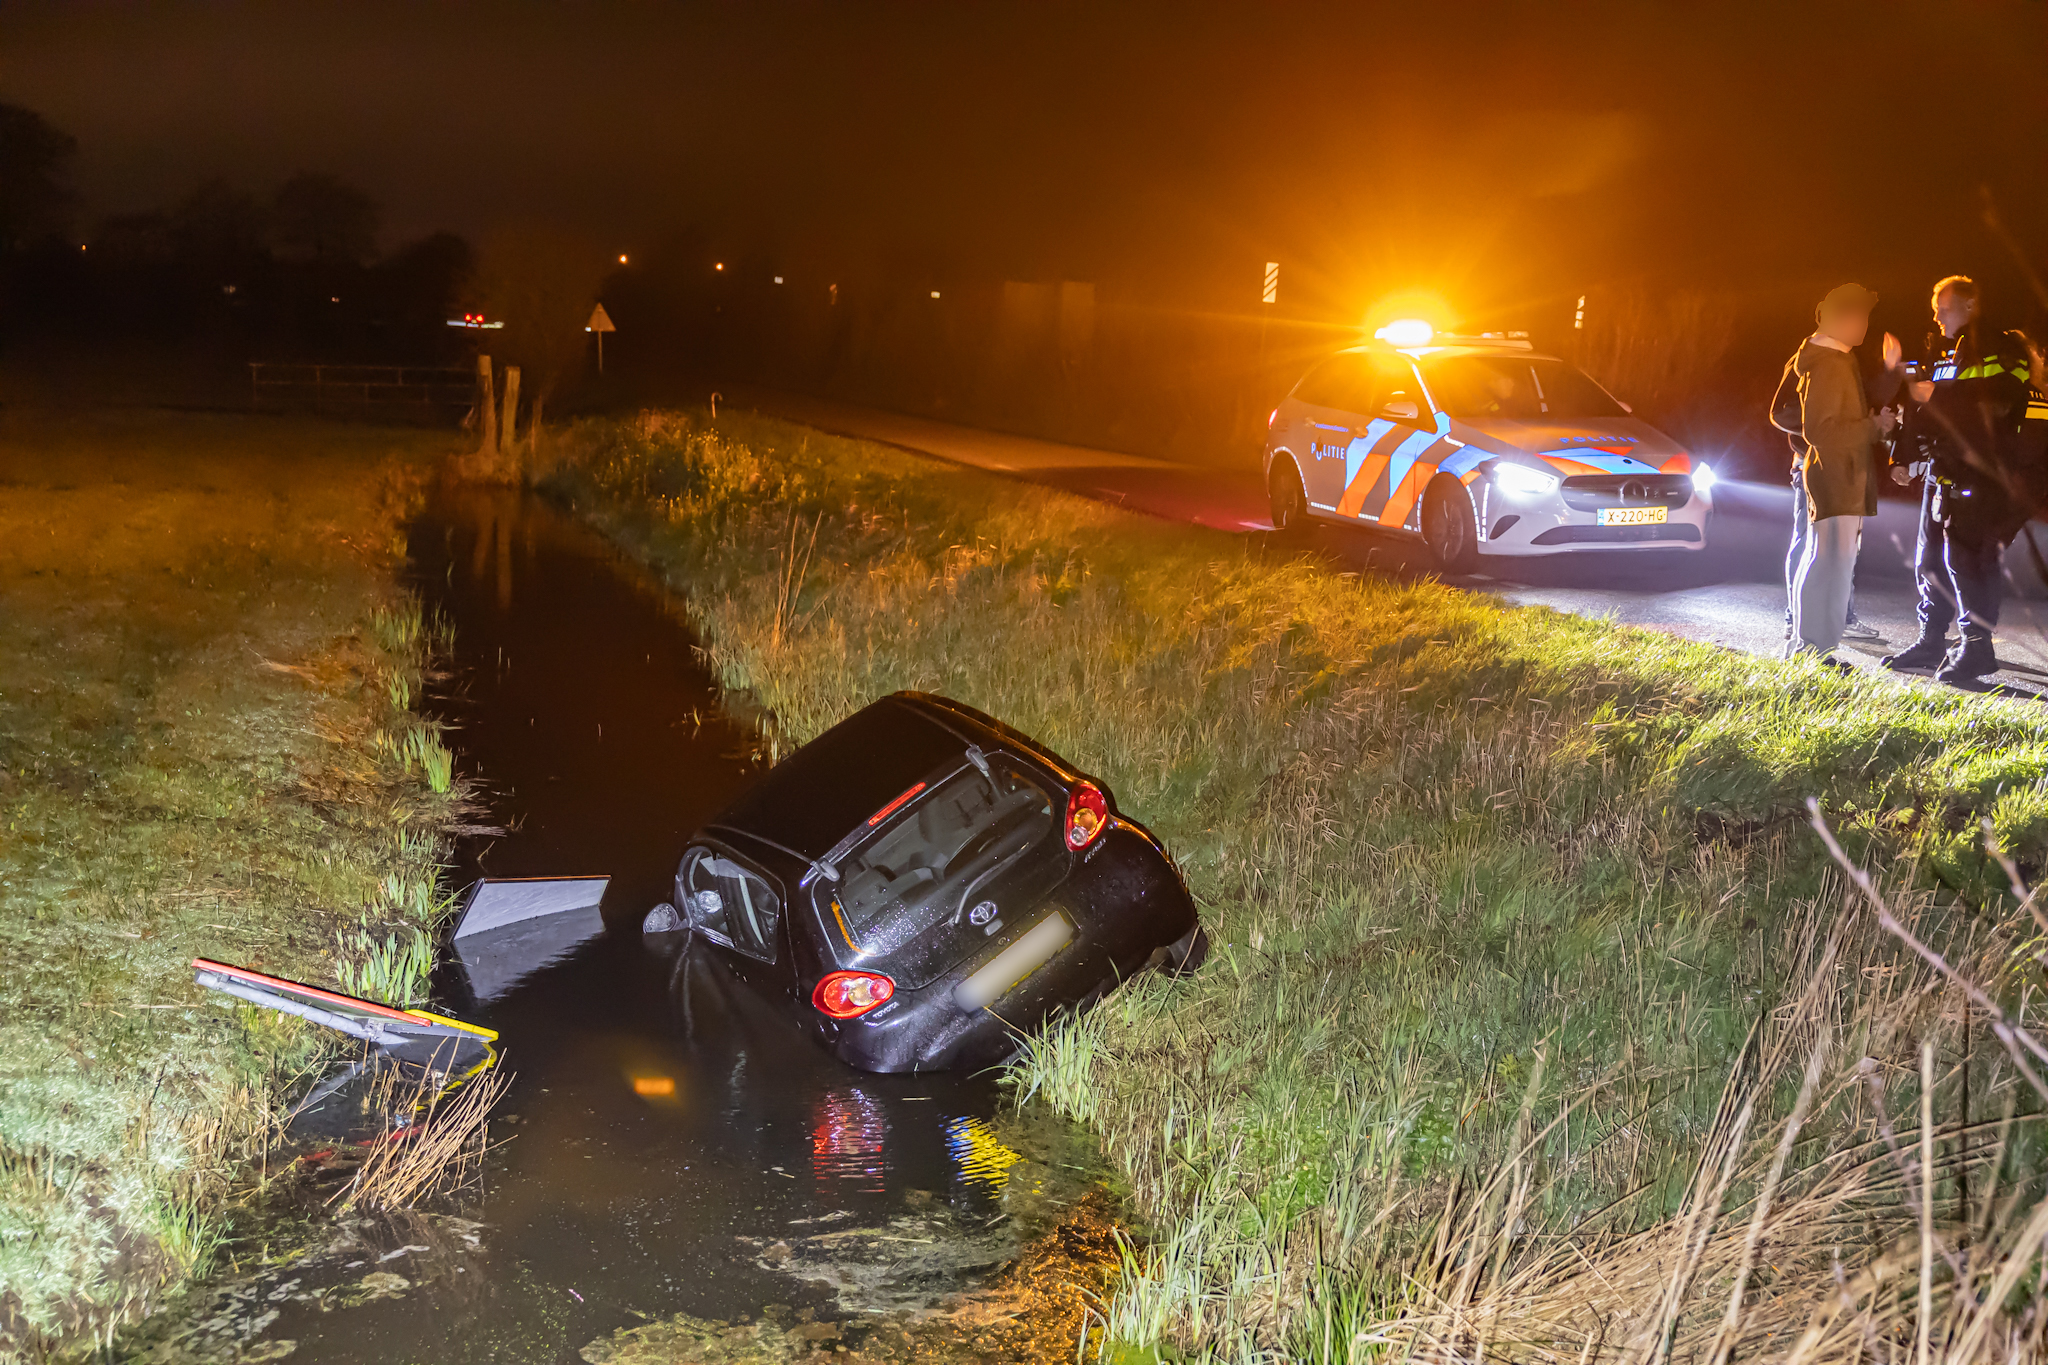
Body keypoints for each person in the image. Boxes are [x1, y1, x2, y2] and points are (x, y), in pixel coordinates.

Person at [1879, 277, 2036, 685]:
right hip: (1940, 471)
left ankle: (1976, 647)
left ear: (1969, 306)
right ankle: (1931, 641)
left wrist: (1938, 398)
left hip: (1980, 476)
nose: (1935, 315)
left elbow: (2001, 401)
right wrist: (1903, 456)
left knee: (1966, 561)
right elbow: (1918, 406)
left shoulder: (2004, 349)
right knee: (1929, 560)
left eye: (1943, 308)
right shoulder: (1942, 350)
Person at [1788, 284, 1902, 666]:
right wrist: (1872, 427)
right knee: (1830, 564)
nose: (1864, 326)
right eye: (1858, 316)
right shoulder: (1829, 363)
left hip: (1841, 476)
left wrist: (1874, 422)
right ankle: (1814, 651)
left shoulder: (1834, 358)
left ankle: (1811, 649)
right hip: (1836, 475)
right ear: (1838, 318)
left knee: (1826, 561)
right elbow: (1820, 431)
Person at [1771, 347, 1885, 642]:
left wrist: (1892, 372)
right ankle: (1797, 619)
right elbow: (1784, 412)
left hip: (1837, 467)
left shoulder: (1842, 360)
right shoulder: (1811, 359)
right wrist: (1815, 441)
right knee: (1809, 544)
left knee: (1839, 547)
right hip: (1814, 465)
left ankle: (1836, 617)